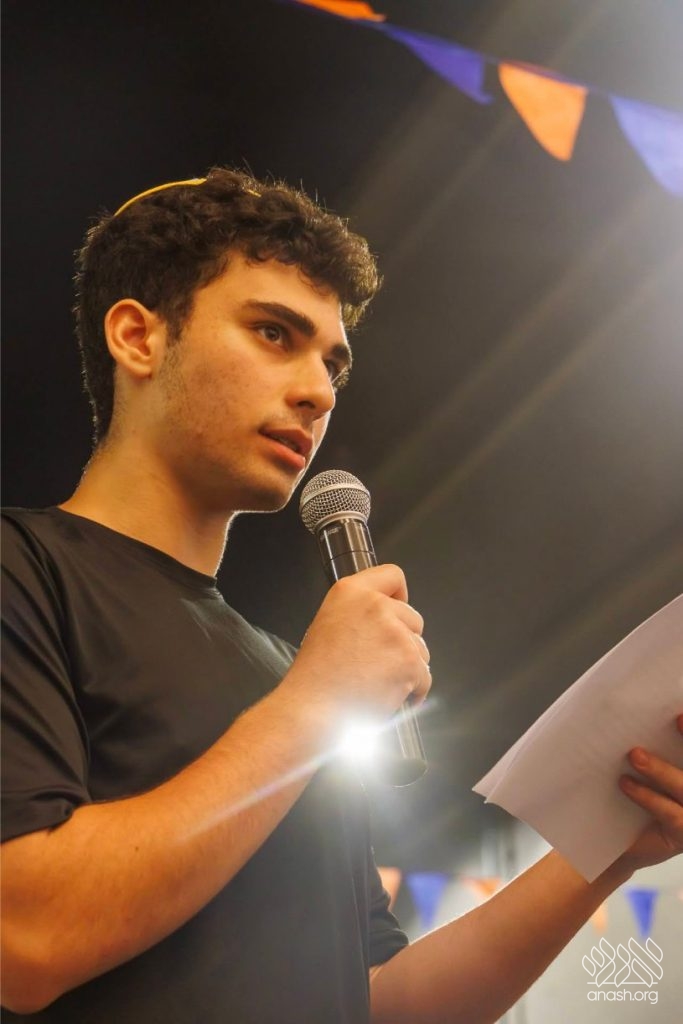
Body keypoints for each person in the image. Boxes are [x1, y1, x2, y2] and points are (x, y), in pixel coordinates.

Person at [1, 168, 681, 1024]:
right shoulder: (23, 569)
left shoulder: (292, 674)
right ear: (138, 337)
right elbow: (24, 938)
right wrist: (316, 704)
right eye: (273, 333)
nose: (319, 391)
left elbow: (377, 1001)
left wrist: (607, 850)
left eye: (332, 362)